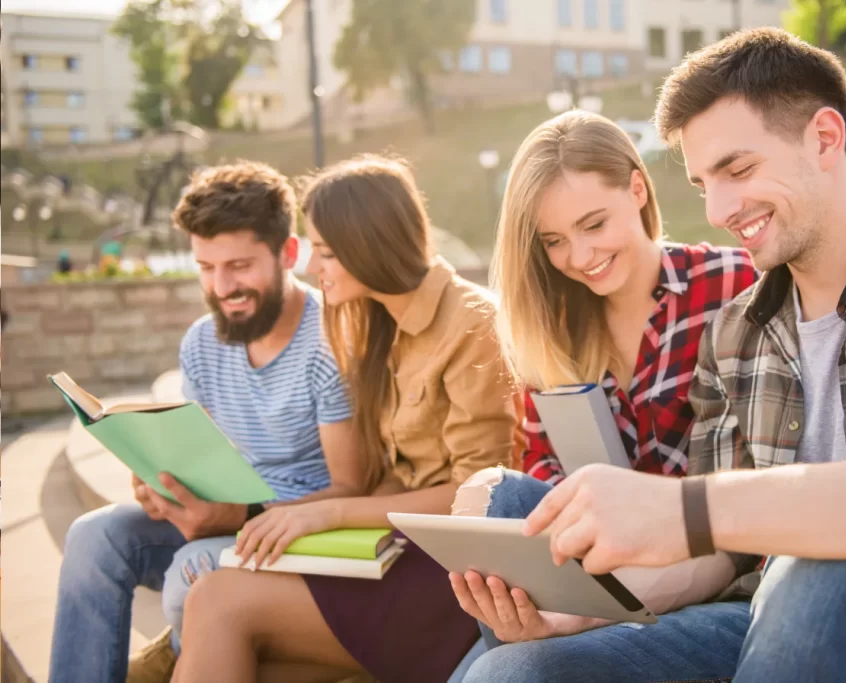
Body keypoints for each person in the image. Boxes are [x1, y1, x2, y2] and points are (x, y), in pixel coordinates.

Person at [515, 27, 846, 683]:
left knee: (824, 569)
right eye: (703, 184)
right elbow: (722, 552)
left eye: (739, 169)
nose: (720, 208)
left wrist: (690, 506)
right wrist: (584, 610)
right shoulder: (734, 333)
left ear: (825, 138)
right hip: (762, 620)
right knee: (524, 668)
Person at [171, 155, 517, 683]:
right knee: (225, 625)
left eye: (327, 253)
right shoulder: (365, 321)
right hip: (387, 548)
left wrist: (331, 514)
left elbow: (483, 494)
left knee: (218, 601)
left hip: (451, 571)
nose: (312, 269)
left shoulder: (473, 323)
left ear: (368, 247)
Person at [448, 110, 760, 682]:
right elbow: (544, 477)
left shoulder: (732, 285)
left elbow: (744, 514)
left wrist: (580, 612)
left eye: (594, 224)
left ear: (637, 188)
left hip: (716, 581)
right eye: (554, 241)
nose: (580, 257)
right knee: (494, 502)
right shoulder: (555, 328)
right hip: (597, 574)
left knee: (496, 673)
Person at [49, 162, 358, 683]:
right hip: (228, 518)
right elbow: (200, 450)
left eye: (239, 265)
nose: (222, 287)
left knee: (187, 581)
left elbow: (354, 486)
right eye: (206, 267)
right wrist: (159, 481)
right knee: (93, 536)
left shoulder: (330, 340)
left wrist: (241, 514)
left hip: (297, 534)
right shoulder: (202, 342)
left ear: (287, 254)